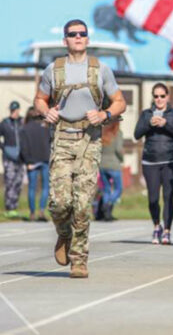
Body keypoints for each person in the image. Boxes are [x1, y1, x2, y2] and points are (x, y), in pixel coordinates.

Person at [34, 19, 126, 278]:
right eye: (72, 34)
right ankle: (63, 234)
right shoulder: (53, 69)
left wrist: (105, 114)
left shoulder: (100, 70)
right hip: (62, 139)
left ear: (87, 39)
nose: (77, 37)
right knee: (59, 203)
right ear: (65, 40)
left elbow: (120, 102)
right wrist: (45, 111)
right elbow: (39, 99)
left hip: (89, 140)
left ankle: (79, 259)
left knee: (83, 204)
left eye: (82, 34)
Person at [134, 83, 173, 245]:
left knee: (168, 197)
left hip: (171, 160)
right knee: (153, 198)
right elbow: (136, 134)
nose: (159, 99)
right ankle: (157, 226)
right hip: (150, 161)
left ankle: (167, 231)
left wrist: (165, 124)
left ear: (168, 97)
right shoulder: (146, 114)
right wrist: (149, 123)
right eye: (156, 96)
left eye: (162, 96)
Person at [20, 107, 51, 222]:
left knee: (32, 188)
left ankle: (32, 213)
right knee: (45, 187)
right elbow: (50, 143)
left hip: (32, 162)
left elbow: (23, 148)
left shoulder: (24, 129)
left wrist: (28, 161)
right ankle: (41, 211)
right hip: (45, 159)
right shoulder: (45, 128)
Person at [0, 101, 25, 218]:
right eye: (12, 111)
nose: (14, 113)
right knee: (9, 182)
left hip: (21, 157)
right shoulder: (4, 123)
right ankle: (9, 207)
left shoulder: (22, 122)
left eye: (15, 110)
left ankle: (15, 205)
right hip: (8, 157)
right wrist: (4, 148)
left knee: (18, 182)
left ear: (19, 110)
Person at [99, 121, 124, 222]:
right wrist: (122, 159)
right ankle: (108, 205)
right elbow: (118, 149)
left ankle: (107, 214)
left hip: (102, 165)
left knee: (106, 189)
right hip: (113, 164)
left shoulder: (102, 133)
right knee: (118, 189)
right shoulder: (118, 133)